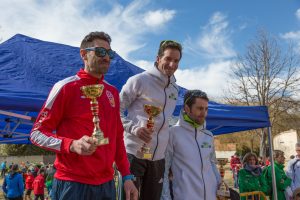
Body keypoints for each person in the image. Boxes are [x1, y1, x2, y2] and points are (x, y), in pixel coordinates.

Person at [30, 31, 137, 200]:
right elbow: (36, 134)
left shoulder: (112, 92)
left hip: (106, 184)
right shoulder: (65, 87)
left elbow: (117, 138)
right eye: (101, 52)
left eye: (110, 53)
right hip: (72, 184)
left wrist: (126, 175)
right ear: (84, 54)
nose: (107, 57)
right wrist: (71, 145)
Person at [119, 40, 182, 200]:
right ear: (158, 58)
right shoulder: (139, 80)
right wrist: (134, 129)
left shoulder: (175, 89)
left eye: (176, 60)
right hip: (133, 153)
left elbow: (165, 122)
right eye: (168, 58)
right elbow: (114, 112)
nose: (171, 64)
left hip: (159, 158)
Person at [161, 90, 221, 200]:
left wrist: (219, 183)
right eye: (199, 108)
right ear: (187, 108)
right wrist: (166, 198)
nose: (204, 113)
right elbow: (163, 171)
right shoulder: (172, 133)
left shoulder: (208, 135)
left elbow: (212, 163)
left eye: (206, 109)